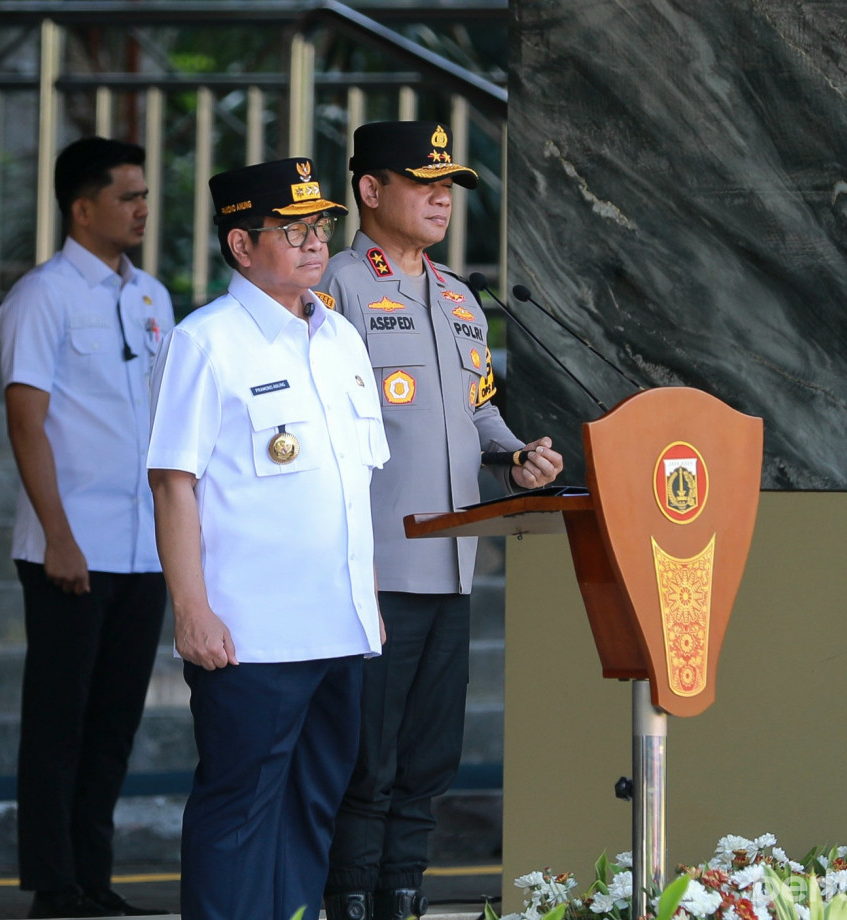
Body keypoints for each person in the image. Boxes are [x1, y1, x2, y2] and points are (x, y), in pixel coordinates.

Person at [317, 121, 564, 920]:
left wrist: (518, 454)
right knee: (367, 762)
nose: (440, 197)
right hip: (377, 570)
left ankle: (402, 895)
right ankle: (350, 897)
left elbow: (479, 414)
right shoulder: (342, 285)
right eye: (422, 181)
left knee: (428, 760)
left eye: (448, 184)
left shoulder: (462, 297)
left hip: (454, 566)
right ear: (369, 190)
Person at [147, 158, 390, 920]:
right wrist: (191, 609)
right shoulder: (206, 342)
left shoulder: (343, 337)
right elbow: (172, 482)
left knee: (314, 806)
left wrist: (368, 599)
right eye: (293, 231)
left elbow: (356, 485)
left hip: (336, 624)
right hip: (249, 633)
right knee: (240, 808)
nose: (315, 244)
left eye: (319, 227)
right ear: (241, 246)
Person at [0, 136, 173, 920]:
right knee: (59, 724)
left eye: (143, 194)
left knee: (113, 725)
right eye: (127, 196)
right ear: (82, 208)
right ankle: (53, 885)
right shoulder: (42, 297)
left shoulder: (154, 298)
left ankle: (94, 879)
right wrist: (60, 536)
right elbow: (27, 424)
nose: (141, 208)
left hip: (142, 547)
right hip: (69, 548)